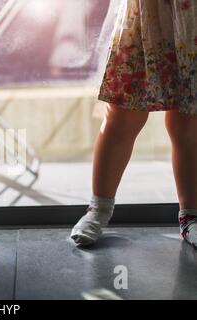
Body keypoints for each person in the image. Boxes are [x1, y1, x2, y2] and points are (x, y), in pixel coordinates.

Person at [70, 0, 197, 247]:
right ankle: (97, 209)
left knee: (189, 125)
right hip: (144, 13)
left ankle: (191, 216)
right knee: (121, 117)